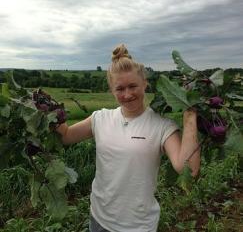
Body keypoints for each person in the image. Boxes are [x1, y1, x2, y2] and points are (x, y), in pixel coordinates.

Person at [56, 44, 200, 232]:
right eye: (120, 89)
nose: (127, 94)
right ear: (112, 90)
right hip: (98, 219)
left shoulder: (162, 125)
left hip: (138, 226)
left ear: (144, 83)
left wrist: (190, 115)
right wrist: (48, 112)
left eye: (133, 86)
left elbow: (189, 169)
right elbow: (65, 136)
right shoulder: (100, 118)